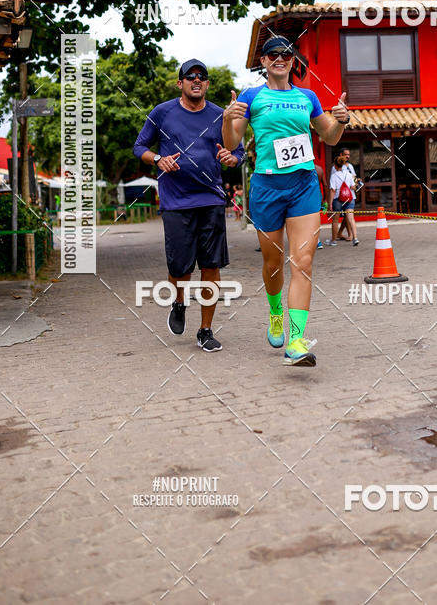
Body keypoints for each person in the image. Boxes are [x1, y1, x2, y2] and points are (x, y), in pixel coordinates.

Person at [222, 35, 350, 367]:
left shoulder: (307, 97)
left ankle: (296, 340)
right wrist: (227, 118)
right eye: (273, 54)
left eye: (287, 54)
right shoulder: (252, 97)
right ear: (263, 62)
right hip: (266, 186)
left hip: (304, 184)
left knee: (303, 262)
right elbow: (233, 140)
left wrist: (342, 121)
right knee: (273, 263)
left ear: (293, 62)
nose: (280, 58)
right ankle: (275, 310)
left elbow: (329, 136)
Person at [133, 58, 244, 350]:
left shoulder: (221, 115)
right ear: (180, 82)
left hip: (211, 199)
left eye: (202, 76)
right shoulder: (162, 113)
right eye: (190, 76)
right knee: (180, 267)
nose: (197, 80)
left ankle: (206, 330)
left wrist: (232, 158)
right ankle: (179, 303)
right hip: (176, 201)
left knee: (211, 265)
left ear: (207, 84)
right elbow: (139, 147)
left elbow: (238, 152)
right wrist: (159, 159)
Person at [327, 153, 359, 245]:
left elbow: (332, 190)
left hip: (338, 199)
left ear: (335, 165)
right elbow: (353, 187)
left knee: (335, 220)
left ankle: (333, 241)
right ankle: (355, 238)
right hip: (349, 198)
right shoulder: (348, 174)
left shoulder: (333, 176)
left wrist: (330, 203)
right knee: (351, 218)